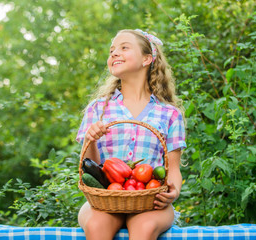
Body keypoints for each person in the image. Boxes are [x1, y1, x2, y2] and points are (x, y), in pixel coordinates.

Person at [76, 29, 186, 240]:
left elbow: (173, 169)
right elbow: (90, 167)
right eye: (112, 50)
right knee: (97, 225)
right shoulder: (98, 109)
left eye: (124, 47)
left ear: (147, 58)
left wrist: (174, 192)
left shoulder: (169, 114)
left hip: (150, 200)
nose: (114, 53)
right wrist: (91, 139)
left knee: (145, 228)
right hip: (106, 199)